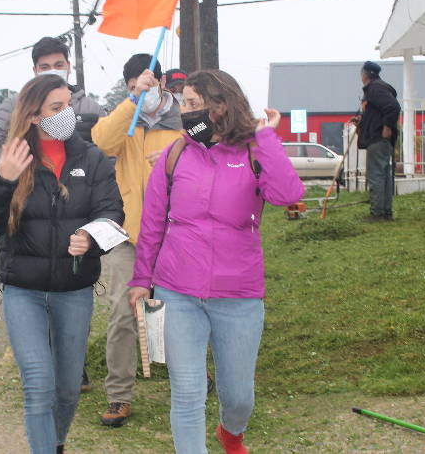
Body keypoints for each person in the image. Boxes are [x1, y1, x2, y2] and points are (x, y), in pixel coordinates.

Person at [127, 69, 304, 454]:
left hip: (238, 295)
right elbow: (153, 222)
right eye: (184, 104)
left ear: (221, 107)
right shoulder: (175, 155)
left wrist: (266, 137)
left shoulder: (254, 151)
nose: (185, 113)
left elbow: (289, 193)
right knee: (187, 392)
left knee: (239, 396)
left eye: (193, 104)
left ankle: (231, 430)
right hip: (177, 292)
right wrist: (142, 279)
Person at [0, 74, 124, 454]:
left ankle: (55, 443)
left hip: (74, 291)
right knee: (38, 381)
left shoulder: (92, 158)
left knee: (68, 387)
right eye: (57, 108)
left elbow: (113, 215)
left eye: (68, 104)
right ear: (34, 116)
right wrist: (2, 181)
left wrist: (90, 239)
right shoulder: (9, 157)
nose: (67, 113)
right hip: (24, 291)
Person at [90, 54, 183, 427]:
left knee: (183, 313)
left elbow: (211, 149)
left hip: (178, 233)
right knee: (121, 315)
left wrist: (180, 150)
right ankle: (118, 396)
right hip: (128, 236)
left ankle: (191, 380)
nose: (140, 93)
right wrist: (131, 102)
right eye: (132, 88)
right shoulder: (123, 120)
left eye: (144, 86)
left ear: (161, 83)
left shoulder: (186, 118)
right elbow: (101, 143)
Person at [0, 36, 105, 158]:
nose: (52, 71)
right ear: (35, 71)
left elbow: (109, 150)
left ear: (68, 66)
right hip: (30, 184)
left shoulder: (91, 108)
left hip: (80, 186)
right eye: (45, 67)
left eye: (58, 65)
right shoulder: (15, 105)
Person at [352, 61, 400, 221]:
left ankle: (378, 213)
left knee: (376, 175)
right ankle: (385, 212)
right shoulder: (379, 88)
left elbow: (392, 106)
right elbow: (378, 112)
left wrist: (387, 126)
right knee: (384, 175)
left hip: (378, 138)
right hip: (380, 137)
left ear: (364, 75)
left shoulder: (374, 88)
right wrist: (362, 120)